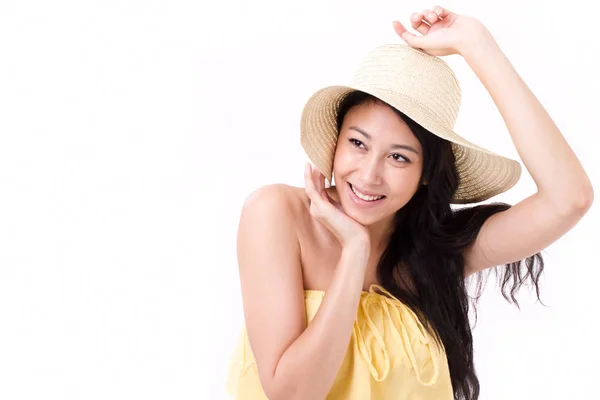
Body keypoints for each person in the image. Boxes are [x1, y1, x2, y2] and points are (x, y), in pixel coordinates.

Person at [226, 5, 594, 400]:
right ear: (335, 142)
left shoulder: (435, 251)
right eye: (358, 143)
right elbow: (292, 394)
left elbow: (569, 199)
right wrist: (354, 251)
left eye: (399, 157)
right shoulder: (277, 213)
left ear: (428, 173)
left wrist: (478, 46)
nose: (369, 175)